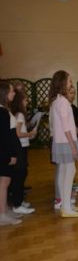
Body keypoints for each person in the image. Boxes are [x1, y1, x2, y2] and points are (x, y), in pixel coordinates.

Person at [49, 70, 78, 218]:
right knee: (70, 172)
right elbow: (66, 127)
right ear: (62, 82)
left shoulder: (56, 100)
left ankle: (65, 205)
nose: (71, 82)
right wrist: (73, 145)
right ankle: (67, 208)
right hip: (66, 141)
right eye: (69, 80)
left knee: (64, 172)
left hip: (60, 141)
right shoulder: (63, 102)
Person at [9, 89, 37, 216]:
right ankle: (17, 204)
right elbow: (18, 133)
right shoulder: (20, 114)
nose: (27, 101)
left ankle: (19, 201)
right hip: (20, 147)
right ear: (20, 101)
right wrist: (30, 134)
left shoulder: (17, 114)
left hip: (21, 146)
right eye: (25, 99)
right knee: (20, 175)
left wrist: (29, 135)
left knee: (21, 173)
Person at [0, 81, 21, 226]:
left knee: (5, 182)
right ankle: (2, 214)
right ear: (4, 93)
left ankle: (5, 209)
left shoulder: (4, 110)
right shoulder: (2, 112)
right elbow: (5, 137)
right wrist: (11, 155)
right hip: (4, 154)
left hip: (5, 153)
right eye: (12, 91)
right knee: (4, 182)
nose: (14, 93)